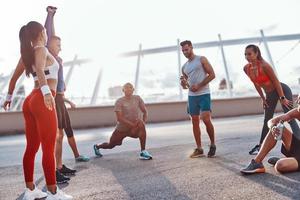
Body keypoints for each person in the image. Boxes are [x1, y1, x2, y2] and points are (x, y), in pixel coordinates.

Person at [16, 20, 73, 200]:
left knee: (32, 148)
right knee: (48, 147)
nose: (47, 34)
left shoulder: (28, 52)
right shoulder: (40, 48)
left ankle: (30, 190)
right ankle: (53, 192)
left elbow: (13, 78)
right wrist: (47, 93)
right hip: (42, 98)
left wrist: (9, 96)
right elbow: (40, 70)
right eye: (45, 31)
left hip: (31, 98)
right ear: (41, 32)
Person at [243, 44, 299, 155]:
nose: (247, 56)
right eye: (245, 54)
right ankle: (260, 146)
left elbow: (276, 82)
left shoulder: (265, 66)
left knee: (290, 117)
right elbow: (256, 84)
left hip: (281, 90)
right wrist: (263, 98)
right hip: (269, 94)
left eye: (249, 54)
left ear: (256, 53)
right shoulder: (246, 68)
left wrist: (282, 97)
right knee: (266, 120)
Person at [241, 95, 300, 174]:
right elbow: (272, 121)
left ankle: (285, 161)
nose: (297, 102)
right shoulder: (297, 112)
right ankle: (257, 162)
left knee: (280, 165)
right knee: (277, 128)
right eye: (298, 98)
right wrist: (272, 127)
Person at [93, 83, 153, 160]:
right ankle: (97, 146)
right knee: (111, 145)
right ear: (123, 90)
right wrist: (133, 125)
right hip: (122, 129)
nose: (128, 89)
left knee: (141, 123)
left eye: (130, 87)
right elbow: (119, 118)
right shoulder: (119, 101)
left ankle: (143, 151)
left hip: (133, 129)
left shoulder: (137, 98)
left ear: (133, 89)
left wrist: (143, 124)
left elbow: (145, 111)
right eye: (126, 88)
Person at [180, 40, 216, 158]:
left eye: (187, 49)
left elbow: (212, 74)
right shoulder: (184, 67)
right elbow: (186, 86)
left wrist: (199, 85)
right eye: (183, 50)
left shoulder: (201, 59)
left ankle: (212, 144)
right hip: (192, 97)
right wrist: (183, 83)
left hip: (204, 94)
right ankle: (199, 148)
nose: (185, 52)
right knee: (194, 121)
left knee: (206, 119)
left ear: (191, 47)